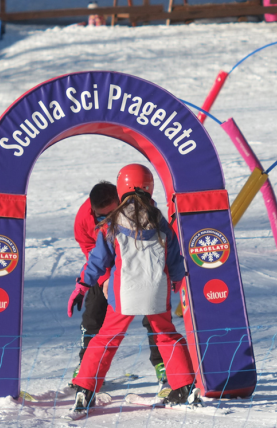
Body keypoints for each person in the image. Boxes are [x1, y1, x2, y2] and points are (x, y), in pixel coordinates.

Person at [69, 164, 198, 413]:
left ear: (122, 188)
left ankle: (85, 390)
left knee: (106, 338)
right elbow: (175, 259)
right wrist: (179, 283)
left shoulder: (113, 221)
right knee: (166, 335)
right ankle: (184, 387)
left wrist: (83, 286)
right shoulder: (160, 220)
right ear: (149, 187)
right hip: (155, 290)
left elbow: (98, 260)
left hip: (123, 292)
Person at [70, 181, 168, 392]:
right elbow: (91, 251)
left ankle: (163, 365)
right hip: (106, 267)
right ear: (92, 210)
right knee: (94, 314)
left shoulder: (139, 208)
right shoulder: (83, 219)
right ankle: (86, 366)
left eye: (111, 213)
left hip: (137, 266)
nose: (106, 219)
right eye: (100, 217)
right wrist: (105, 278)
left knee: (154, 313)